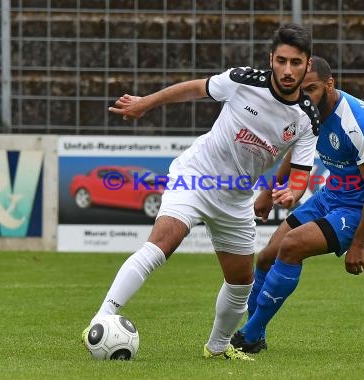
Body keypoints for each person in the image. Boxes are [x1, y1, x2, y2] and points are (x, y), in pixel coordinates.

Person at [82, 23, 321, 361]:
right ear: (271, 58)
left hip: (237, 197)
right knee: (162, 243)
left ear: (307, 64)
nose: (287, 70)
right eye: (281, 60)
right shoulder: (243, 81)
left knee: (241, 284)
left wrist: (291, 194)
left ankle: (218, 347)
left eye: (295, 63)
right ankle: (101, 316)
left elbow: (300, 174)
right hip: (196, 177)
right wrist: (145, 103)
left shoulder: (307, 117)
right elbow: (194, 88)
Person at [230, 56, 364, 353]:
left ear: (329, 84)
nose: (304, 97)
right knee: (266, 257)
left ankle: (249, 336)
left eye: (311, 89)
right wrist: (270, 191)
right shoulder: (306, 113)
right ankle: (254, 333)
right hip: (331, 196)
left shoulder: (358, 123)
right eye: (300, 91)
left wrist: (358, 244)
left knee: (292, 246)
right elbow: (296, 153)